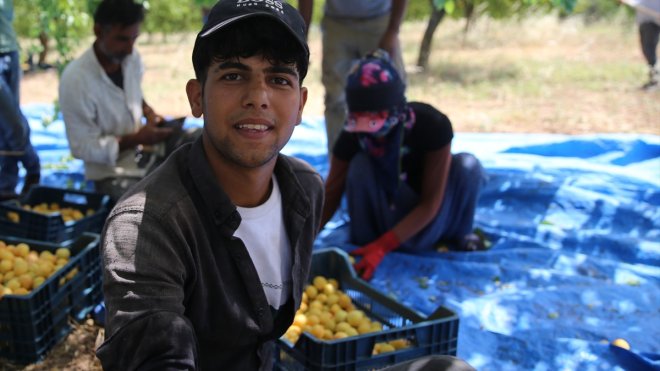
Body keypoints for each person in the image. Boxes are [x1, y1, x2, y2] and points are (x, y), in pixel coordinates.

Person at [95, 0, 324, 369]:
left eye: (279, 79)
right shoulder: (145, 227)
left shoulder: (305, 190)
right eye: (233, 75)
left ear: (300, 105)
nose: (257, 97)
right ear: (197, 96)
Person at [322, 51, 486, 281]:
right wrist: (300, 242)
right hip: (381, 218)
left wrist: (383, 247)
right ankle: (365, 243)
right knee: (360, 165)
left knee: (468, 166)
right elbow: (331, 193)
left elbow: (431, 203)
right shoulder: (354, 136)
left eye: (376, 121)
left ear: (396, 111)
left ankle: (461, 235)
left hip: (429, 223)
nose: (371, 132)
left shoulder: (432, 125)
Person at [59, 0, 174, 203]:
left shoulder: (131, 59)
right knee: (148, 206)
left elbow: (135, 94)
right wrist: (137, 138)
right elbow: (81, 147)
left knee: (201, 141)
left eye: (134, 39)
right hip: (112, 174)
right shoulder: (76, 80)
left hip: (146, 155)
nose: (130, 49)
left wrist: (149, 113)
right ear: (98, 31)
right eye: (122, 39)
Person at [297, 0, 408, 155]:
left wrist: (393, 30)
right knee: (335, 99)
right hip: (336, 23)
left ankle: (394, 159)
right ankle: (339, 163)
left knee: (390, 94)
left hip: (379, 21)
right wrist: (302, 35)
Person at [0, 0, 40, 201]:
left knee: (6, 123)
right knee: (13, 122)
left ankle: (6, 187)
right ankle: (33, 166)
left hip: (9, 51)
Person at [633, 0, 660, 90]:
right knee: (647, 51)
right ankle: (654, 79)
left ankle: (655, 81)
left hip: (652, 22)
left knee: (650, 51)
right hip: (645, 21)